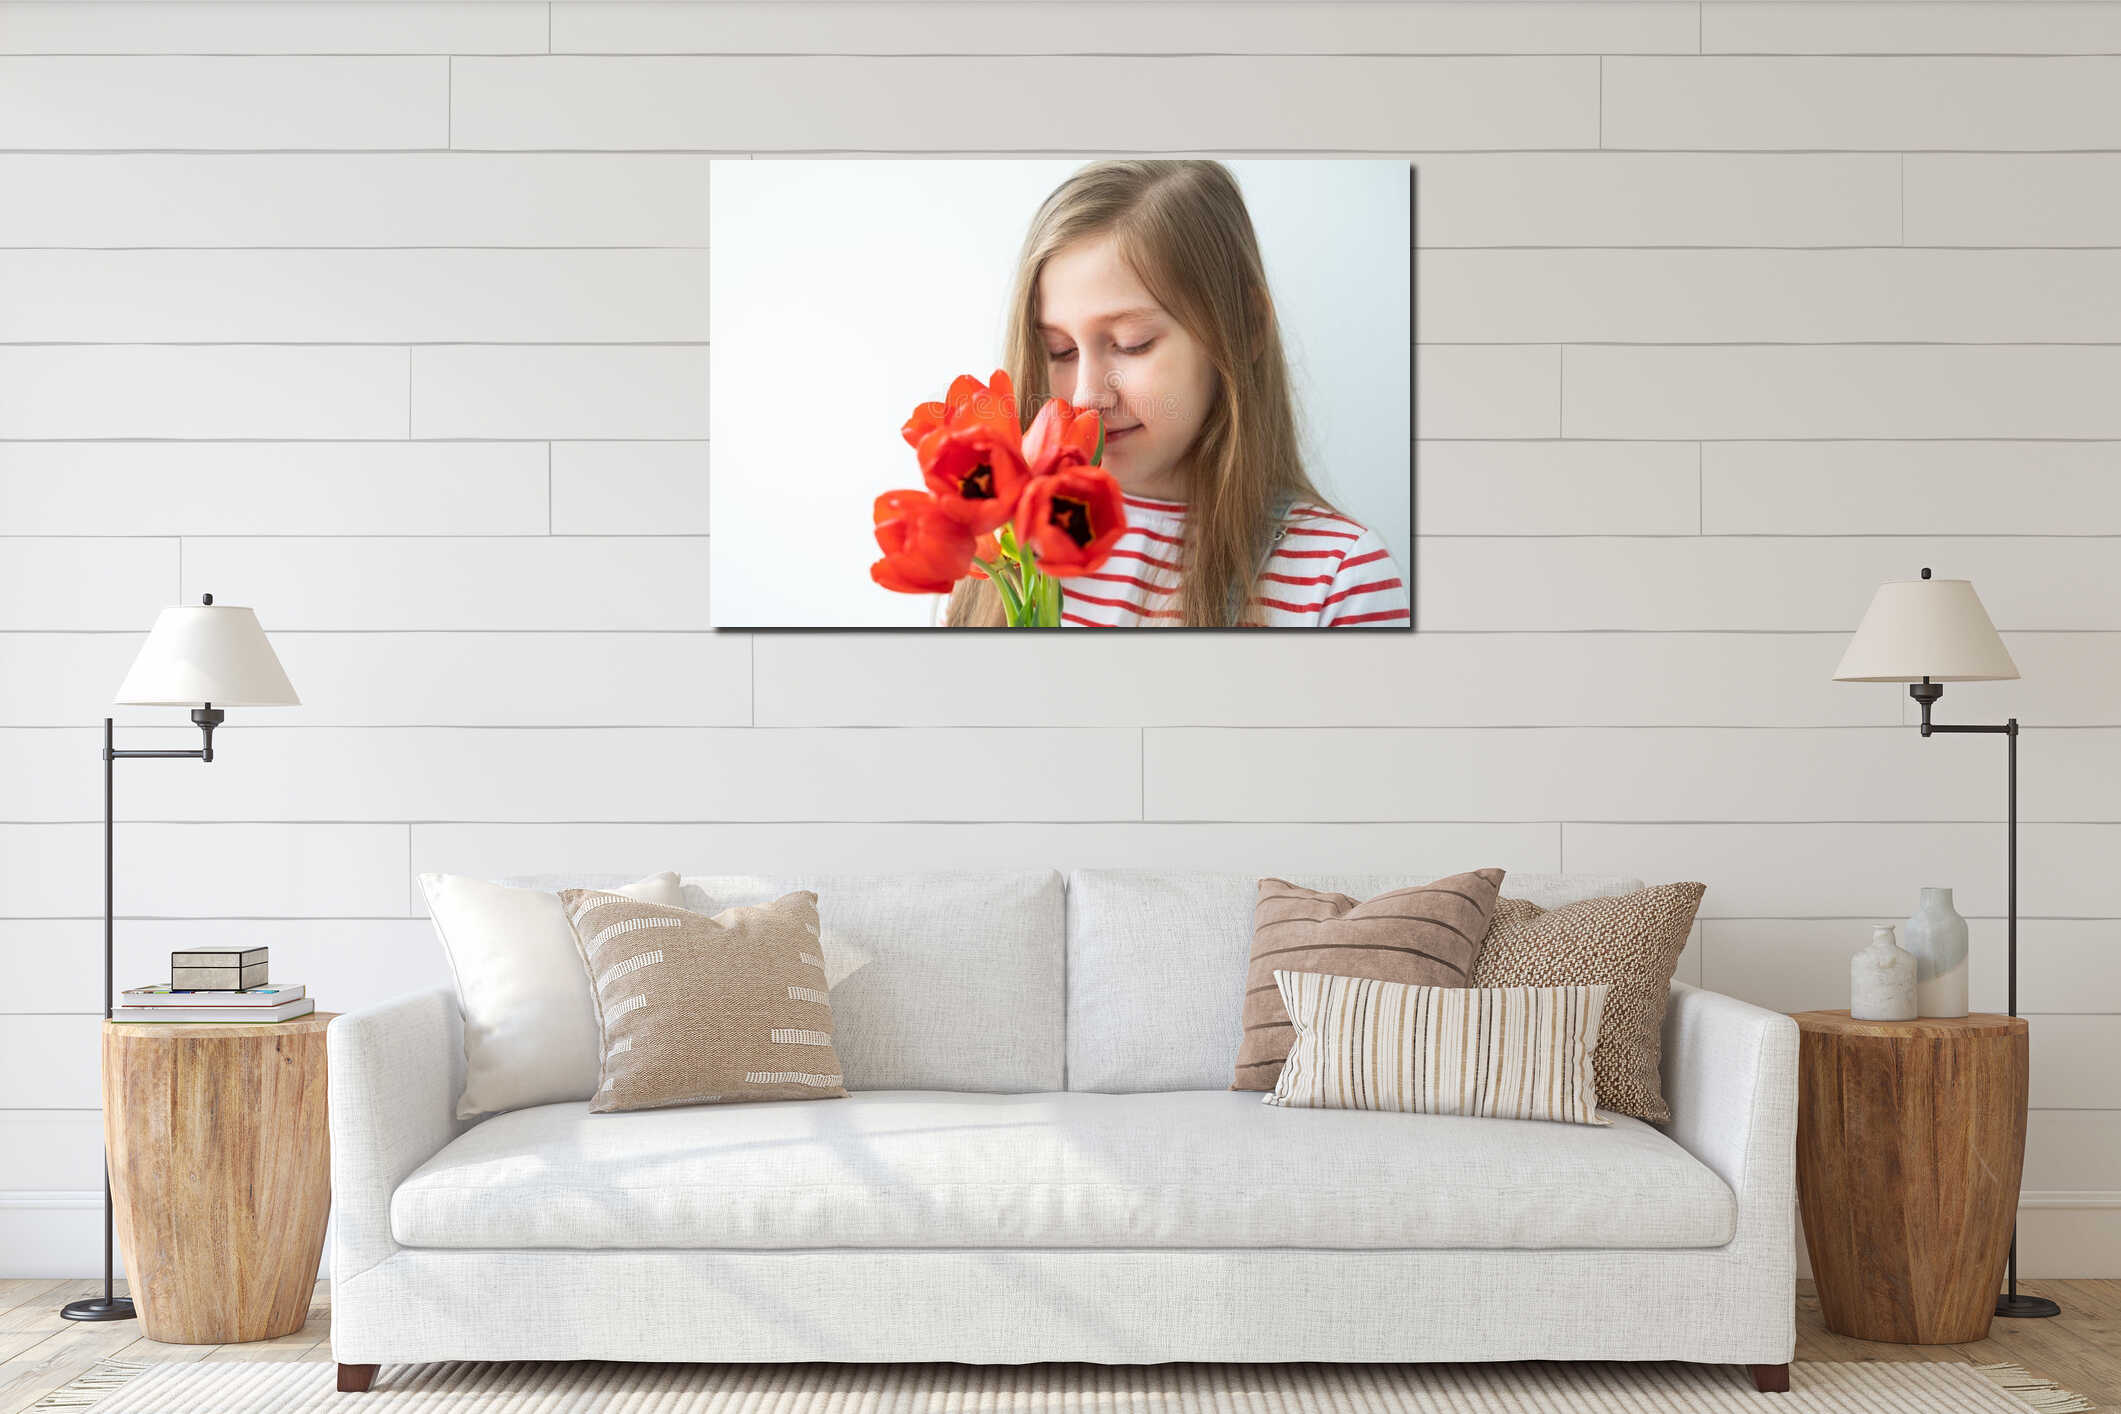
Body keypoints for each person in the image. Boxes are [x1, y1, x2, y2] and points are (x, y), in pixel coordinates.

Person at [945, 159, 1408, 629]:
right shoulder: (997, 547)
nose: (1086, 397)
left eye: (1133, 343)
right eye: (1060, 351)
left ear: (1244, 327)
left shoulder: (1337, 577)